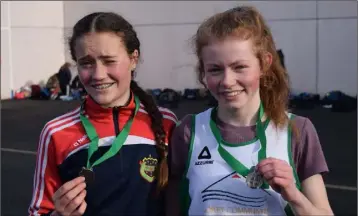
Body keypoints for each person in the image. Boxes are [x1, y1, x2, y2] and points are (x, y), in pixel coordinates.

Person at [166, 6, 333, 216]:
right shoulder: (188, 131)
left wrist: (294, 195)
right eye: (215, 69)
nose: (227, 81)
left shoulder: (296, 130)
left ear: (264, 64)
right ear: (203, 72)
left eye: (240, 67)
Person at [28, 12, 177, 216]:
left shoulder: (166, 122)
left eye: (109, 61)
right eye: (86, 63)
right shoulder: (56, 132)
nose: (98, 75)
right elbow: (38, 211)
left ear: (134, 59)